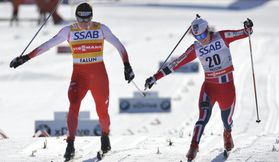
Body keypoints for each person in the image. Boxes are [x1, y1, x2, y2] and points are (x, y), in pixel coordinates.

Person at [10, 2, 135, 160]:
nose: (84, 24)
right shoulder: (69, 31)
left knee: (102, 111)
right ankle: (70, 145)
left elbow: (119, 46)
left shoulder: (101, 28)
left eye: (87, 20)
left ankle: (105, 138)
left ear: (91, 17)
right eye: (81, 20)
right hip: (79, 77)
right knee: (73, 105)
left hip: (99, 78)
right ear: (76, 18)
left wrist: (127, 65)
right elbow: (48, 45)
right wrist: (25, 58)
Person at [145, 15, 253, 161]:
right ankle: (193, 146)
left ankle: (227, 133)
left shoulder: (222, 36)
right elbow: (176, 63)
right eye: (197, 36)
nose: (201, 39)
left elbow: (243, 33)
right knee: (203, 118)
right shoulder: (195, 48)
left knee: (226, 121)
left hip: (227, 89)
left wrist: (247, 27)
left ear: (208, 30)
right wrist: (155, 77)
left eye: (203, 34)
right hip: (209, 88)